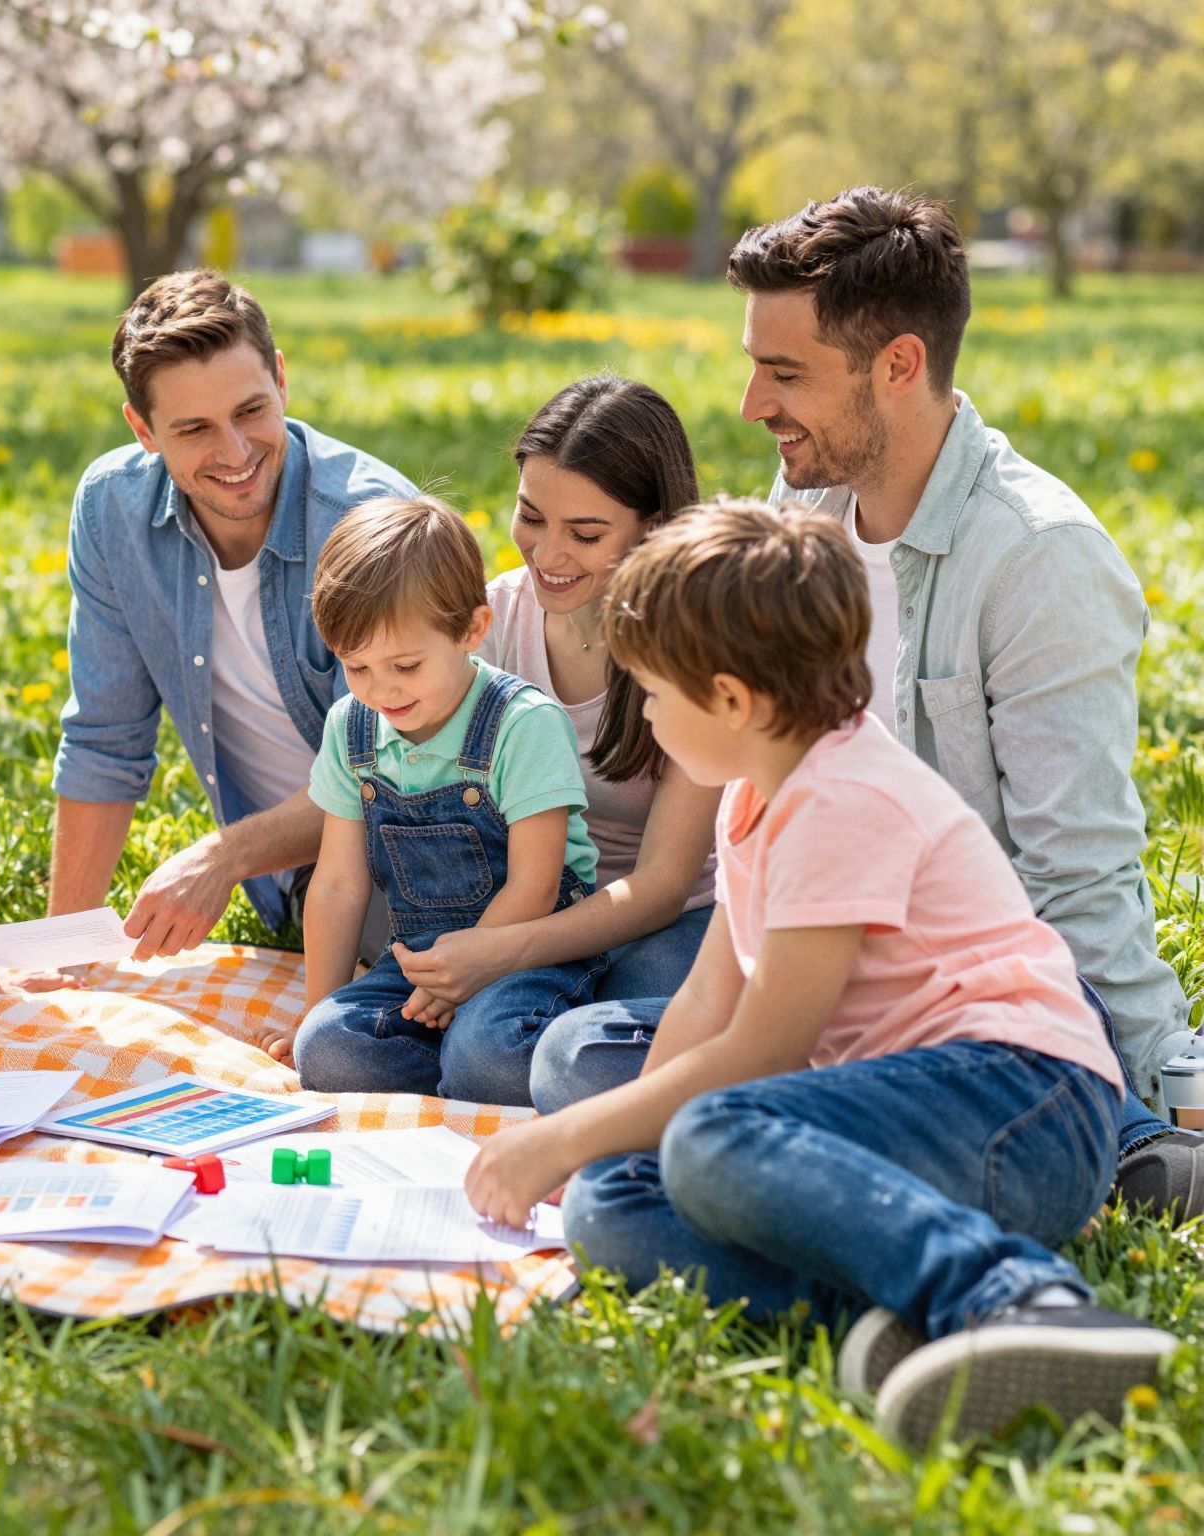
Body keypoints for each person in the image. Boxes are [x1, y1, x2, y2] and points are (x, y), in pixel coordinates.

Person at [529, 187, 1204, 1219]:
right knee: (571, 1058)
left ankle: (1123, 1144)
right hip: (813, 967)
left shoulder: (1035, 558)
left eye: (784, 372)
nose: (753, 403)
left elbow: (1076, 868)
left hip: (960, 1017)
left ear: (896, 365)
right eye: (755, 366)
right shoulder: (797, 509)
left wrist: (1139, 1073)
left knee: (637, 1104)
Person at [466, 500, 1176, 1447]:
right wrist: (604, 1151)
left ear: (730, 699)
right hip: (908, 1133)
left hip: (1024, 1105)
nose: (647, 716)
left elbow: (762, 1049)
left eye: (654, 695)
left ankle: (1023, 1298)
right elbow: (707, 1004)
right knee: (613, 1200)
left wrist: (559, 1138)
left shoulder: (845, 794)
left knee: (710, 1132)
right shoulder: (755, 794)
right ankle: (898, 1325)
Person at [45, 270, 415, 964]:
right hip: (311, 880)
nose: (236, 452)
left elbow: (385, 778)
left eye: (250, 411)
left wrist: (222, 858)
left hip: (420, 853)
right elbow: (105, 741)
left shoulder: (371, 524)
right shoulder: (112, 510)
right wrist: (61, 953)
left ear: (280, 379)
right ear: (143, 430)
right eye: (194, 429)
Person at [393, 377, 720, 1046]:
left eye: (586, 533)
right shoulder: (497, 618)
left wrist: (501, 953)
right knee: (406, 1048)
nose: (547, 555)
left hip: (670, 920)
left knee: (511, 1052)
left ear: (653, 527)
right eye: (532, 517)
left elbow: (661, 884)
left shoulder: (699, 646)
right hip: (525, 903)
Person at [275, 496, 601, 1102]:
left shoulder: (521, 723)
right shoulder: (352, 728)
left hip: (528, 952)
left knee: (491, 1057)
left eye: (404, 664)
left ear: (472, 630)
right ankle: (455, 1059)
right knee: (325, 1048)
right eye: (357, 666)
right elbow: (339, 884)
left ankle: (484, 1054)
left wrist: (466, 977)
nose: (382, 689)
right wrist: (314, 1009)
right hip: (421, 963)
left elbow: (534, 885)